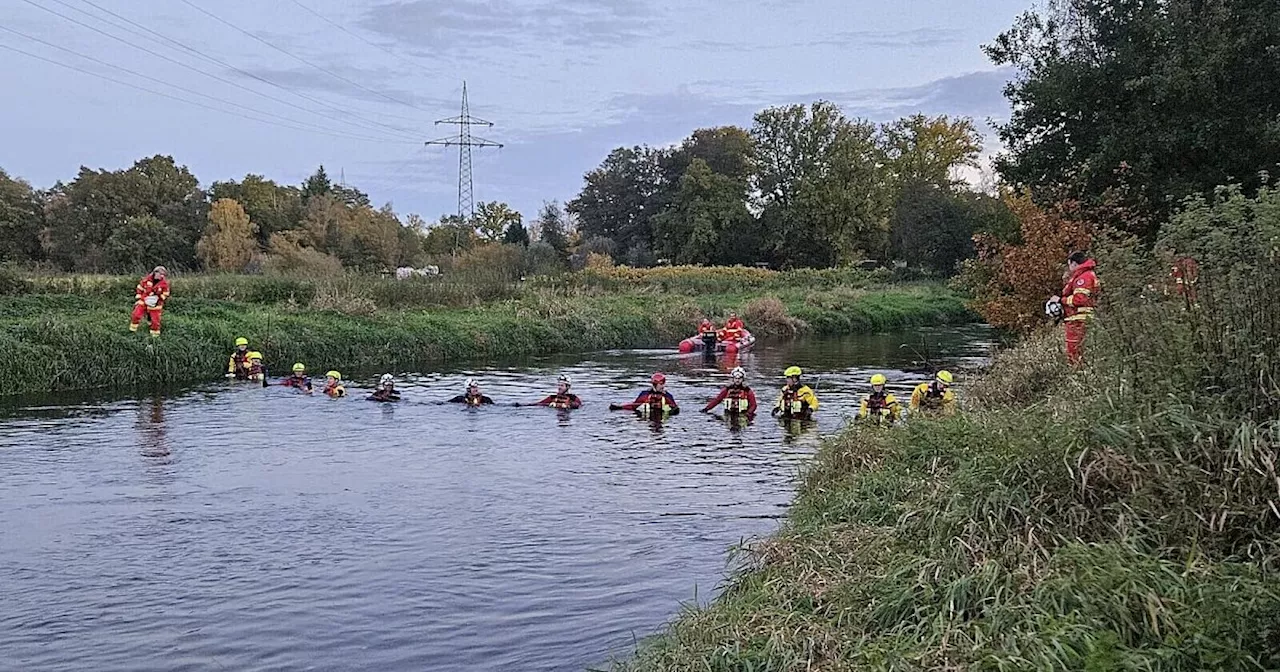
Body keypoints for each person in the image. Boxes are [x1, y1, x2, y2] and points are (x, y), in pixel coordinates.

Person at [1048, 251, 1100, 366]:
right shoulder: (1088, 274)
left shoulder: (1083, 277)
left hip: (1077, 320)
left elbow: (1079, 299)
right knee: (1082, 350)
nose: (1069, 268)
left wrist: (1061, 300)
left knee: (1074, 350)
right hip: (1081, 318)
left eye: (1069, 265)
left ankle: (1078, 373)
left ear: (1074, 263)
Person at [610, 372, 680, 416]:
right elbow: (633, 406)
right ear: (655, 384)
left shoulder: (667, 396)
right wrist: (620, 407)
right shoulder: (645, 394)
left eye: (663, 384)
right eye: (661, 384)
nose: (663, 386)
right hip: (649, 417)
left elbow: (675, 407)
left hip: (662, 416)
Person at [129, 266, 170, 337]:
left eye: (163, 275)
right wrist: (139, 297)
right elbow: (140, 288)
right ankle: (132, 331)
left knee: (155, 320)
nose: (162, 276)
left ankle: (155, 335)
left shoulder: (164, 284)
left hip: (156, 304)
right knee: (136, 315)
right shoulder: (146, 280)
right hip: (143, 301)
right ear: (155, 273)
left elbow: (166, 293)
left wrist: (159, 298)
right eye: (161, 274)